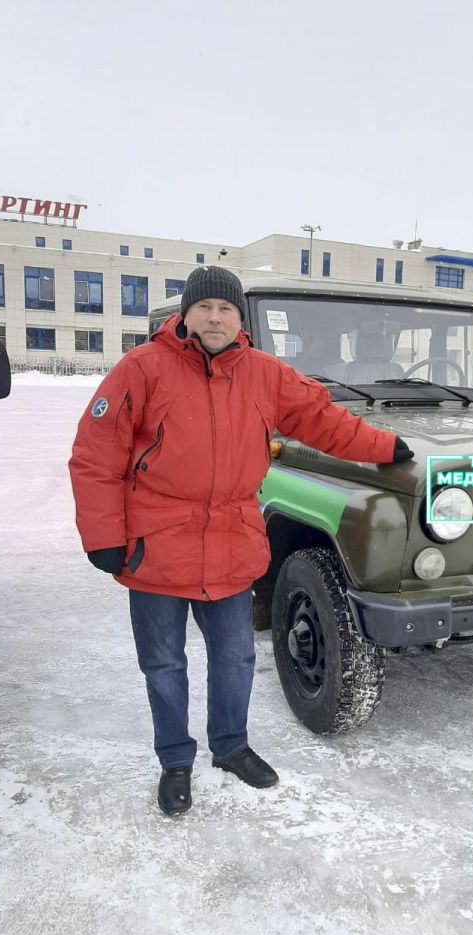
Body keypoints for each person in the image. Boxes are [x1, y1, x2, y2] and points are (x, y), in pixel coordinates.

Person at [69, 266, 413, 816]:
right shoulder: (141, 369)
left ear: (240, 318)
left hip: (231, 544)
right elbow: (95, 454)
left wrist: (382, 446)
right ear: (186, 314)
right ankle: (175, 761)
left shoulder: (264, 374)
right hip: (155, 547)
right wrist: (103, 537)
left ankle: (230, 746)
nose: (214, 317)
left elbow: (322, 420)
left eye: (225, 309)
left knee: (235, 659)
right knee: (164, 665)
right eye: (204, 307)